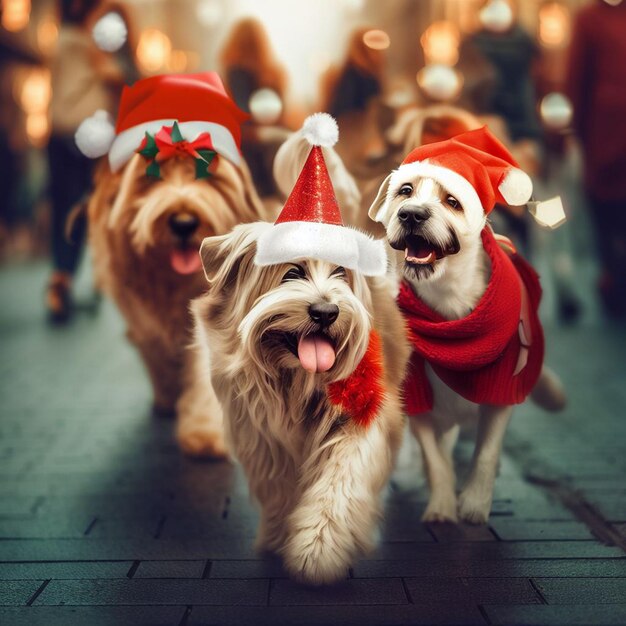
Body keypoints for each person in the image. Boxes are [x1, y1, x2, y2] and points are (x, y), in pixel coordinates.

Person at [46, 0, 136, 323]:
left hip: (57, 132)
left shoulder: (61, 40)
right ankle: (76, 278)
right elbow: (121, 77)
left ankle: (61, 278)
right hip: (88, 133)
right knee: (84, 204)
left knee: (63, 206)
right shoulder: (94, 44)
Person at [566, 0, 626, 318]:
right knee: (606, 213)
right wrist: (576, 128)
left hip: (606, 130)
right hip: (605, 135)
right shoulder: (589, 19)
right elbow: (578, 77)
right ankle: (614, 280)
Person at [219, 17, 288, 197]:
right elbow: (280, 111)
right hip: (273, 139)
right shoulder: (273, 73)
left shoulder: (235, 70)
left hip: (248, 140)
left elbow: (242, 111)